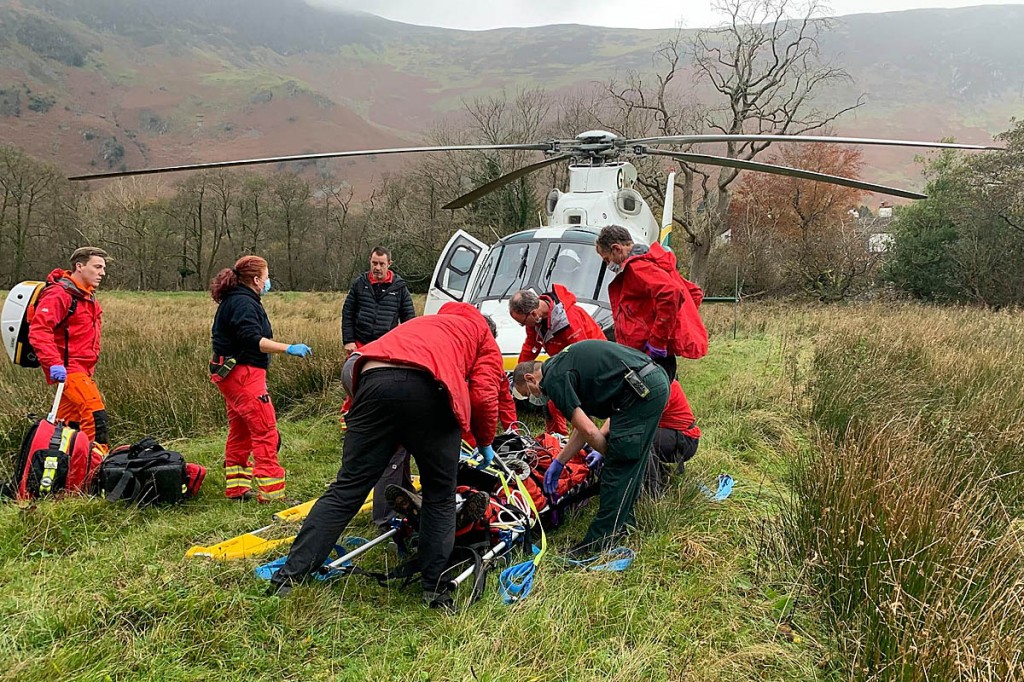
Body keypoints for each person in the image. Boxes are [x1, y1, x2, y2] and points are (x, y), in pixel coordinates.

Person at [268, 302, 504, 610]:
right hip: (432, 390)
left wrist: (380, 433)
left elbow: (353, 369)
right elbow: (484, 395)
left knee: (347, 489)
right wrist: (485, 441)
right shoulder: (482, 335)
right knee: (439, 493)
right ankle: (433, 589)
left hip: (371, 381)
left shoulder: (424, 323)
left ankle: (288, 578)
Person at [513, 339, 670, 553]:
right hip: (648, 382)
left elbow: (589, 431)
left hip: (640, 391)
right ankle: (624, 524)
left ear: (530, 378)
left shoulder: (554, 380)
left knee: (618, 470)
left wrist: (610, 455)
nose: (532, 398)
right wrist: (560, 460)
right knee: (628, 467)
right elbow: (582, 428)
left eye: (527, 393)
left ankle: (598, 544)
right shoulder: (559, 365)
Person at [209, 255, 312, 503]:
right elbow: (252, 339)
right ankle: (272, 494)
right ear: (256, 280)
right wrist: (288, 348)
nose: (268, 281)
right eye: (266, 276)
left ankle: (237, 488)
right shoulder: (244, 304)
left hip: (230, 374)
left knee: (241, 431)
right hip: (245, 374)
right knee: (266, 431)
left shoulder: (235, 299)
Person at [340, 246, 417, 527]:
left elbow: (409, 320)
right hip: (362, 345)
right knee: (357, 393)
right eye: (373, 263)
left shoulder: (399, 288)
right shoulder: (360, 284)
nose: (377, 268)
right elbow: (347, 314)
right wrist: (348, 340)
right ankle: (356, 425)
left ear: (389, 264)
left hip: (388, 347)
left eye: (381, 263)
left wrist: (407, 348)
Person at [595, 225, 708, 381]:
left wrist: (658, 340)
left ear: (616, 249)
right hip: (655, 355)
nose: (609, 265)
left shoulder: (637, 267)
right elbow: (692, 294)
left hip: (648, 356)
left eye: (607, 259)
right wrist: (671, 327)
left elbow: (671, 293)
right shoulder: (656, 264)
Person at [28, 247, 110, 451]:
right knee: (95, 415)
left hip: (83, 370)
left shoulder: (87, 296)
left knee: (67, 426)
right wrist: (54, 364)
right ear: (79, 267)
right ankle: (94, 468)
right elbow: (39, 331)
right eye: (97, 267)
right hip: (69, 370)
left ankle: (60, 470)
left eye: (103, 268)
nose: (102, 272)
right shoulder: (59, 294)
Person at [508, 286, 606, 434]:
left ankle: (582, 439)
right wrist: (519, 373)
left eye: (522, 323)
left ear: (533, 313)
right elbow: (531, 345)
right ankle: (556, 438)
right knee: (552, 399)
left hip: (592, 362)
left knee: (572, 402)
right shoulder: (535, 321)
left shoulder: (569, 321)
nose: (523, 326)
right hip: (564, 361)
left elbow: (583, 356)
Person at [645, 380, 701, 497]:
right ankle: (662, 473)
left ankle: (654, 492)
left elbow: (638, 417)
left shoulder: (663, 384)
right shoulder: (654, 379)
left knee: (641, 439)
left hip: (686, 440)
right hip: (672, 434)